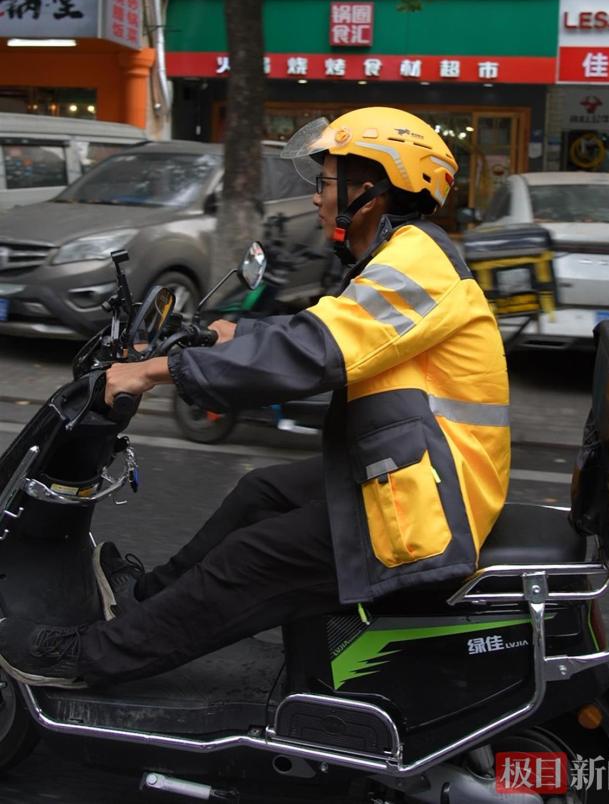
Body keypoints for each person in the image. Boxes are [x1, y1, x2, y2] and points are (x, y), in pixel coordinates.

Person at [0, 108, 510, 689]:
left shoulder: (419, 263)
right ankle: (144, 600)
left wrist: (157, 372)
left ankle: (90, 658)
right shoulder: (400, 256)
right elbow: (324, 326)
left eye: (324, 182)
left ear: (369, 189)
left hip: (429, 510)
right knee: (260, 492)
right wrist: (218, 332)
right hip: (413, 476)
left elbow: (314, 351)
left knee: (256, 558)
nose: (317, 198)